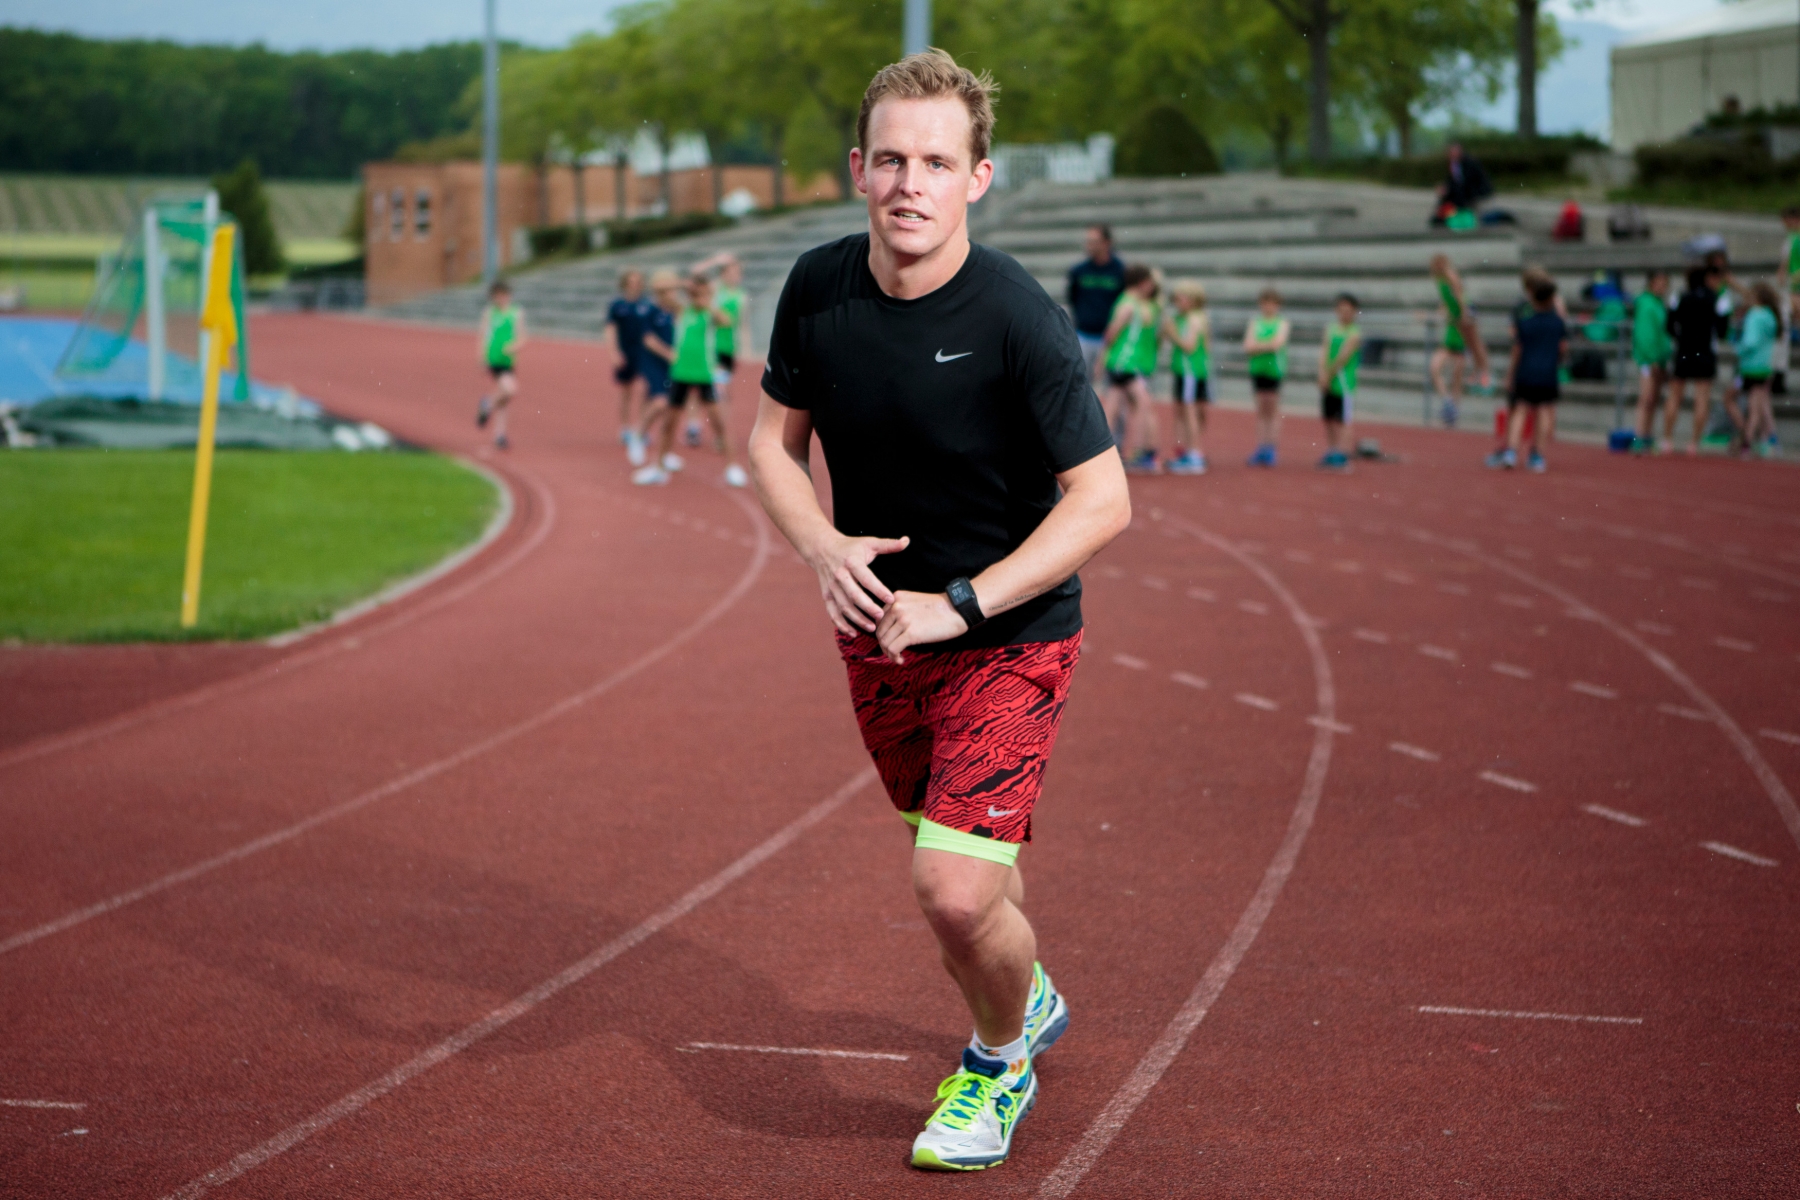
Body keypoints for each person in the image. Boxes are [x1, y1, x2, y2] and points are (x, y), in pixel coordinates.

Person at [746, 49, 1129, 1172]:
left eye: (939, 162)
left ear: (979, 178)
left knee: (953, 893)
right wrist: (820, 544)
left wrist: (964, 603)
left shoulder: (1016, 315)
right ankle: (1032, 994)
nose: (913, 183)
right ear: (858, 170)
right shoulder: (818, 288)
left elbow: (1102, 499)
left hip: (1010, 634)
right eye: (894, 160)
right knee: (973, 873)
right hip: (879, 638)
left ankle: (997, 1064)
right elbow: (771, 446)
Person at [633, 272, 748, 486]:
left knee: (719, 423)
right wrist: (682, 283)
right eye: (694, 292)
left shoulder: (710, 313)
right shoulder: (682, 310)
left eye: (701, 291)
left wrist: (707, 302)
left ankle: (732, 467)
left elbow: (726, 320)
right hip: (681, 374)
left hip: (704, 375)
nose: (696, 295)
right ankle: (659, 467)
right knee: (669, 423)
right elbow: (658, 289)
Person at [1488, 278, 1566, 472]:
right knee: (1544, 411)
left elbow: (1517, 350)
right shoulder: (1558, 323)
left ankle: (1511, 452)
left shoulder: (1526, 323)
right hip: (1548, 373)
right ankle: (1536, 455)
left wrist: (1510, 374)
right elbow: (1563, 348)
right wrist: (1556, 362)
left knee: (1520, 410)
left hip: (1526, 372)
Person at [1100, 265, 1162, 471]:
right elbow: (1112, 332)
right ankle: (1140, 451)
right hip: (1125, 362)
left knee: (1114, 406)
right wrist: (1101, 360)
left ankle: (1104, 452)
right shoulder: (1128, 304)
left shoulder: (1136, 303)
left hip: (1127, 362)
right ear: (1142, 282)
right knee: (1142, 402)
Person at [1666, 265, 1728, 456]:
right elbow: (1723, 331)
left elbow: (1669, 325)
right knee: (1701, 398)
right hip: (1705, 352)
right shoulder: (1719, 299)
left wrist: (1681, 339)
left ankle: (1667, 439)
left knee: (1675, 396)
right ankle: (1693, 443)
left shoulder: (1679, 296)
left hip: (1684, 350)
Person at [626, 270, 680, 470]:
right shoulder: (650, 310)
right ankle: (637, 435)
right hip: (653, 363)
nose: (674, 293)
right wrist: (670, 354)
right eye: (669, 289)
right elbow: (648, 339)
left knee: (670, 411)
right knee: (660, 402)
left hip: (672, 366)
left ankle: (665, 453)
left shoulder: (676, 311)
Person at [1428, 253, 1487, 427]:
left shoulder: (1451, 276)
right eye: (1436, 265)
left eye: (1441, 264)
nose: (1439, 268)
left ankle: (1455, 410)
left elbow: (1461, 297)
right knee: (1435, 367)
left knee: (1457, 372)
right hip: (1452, 324)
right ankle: (1448, 402)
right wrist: (1439, 313)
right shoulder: (1438, 280)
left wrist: (1464, 316)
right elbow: (1446, 301)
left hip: (1461, 322)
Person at [1160, 279, 1209, 474]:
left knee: (1189, 411)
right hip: (1182, 370)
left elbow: (1189, 345)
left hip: (1191, 371)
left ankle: (1194, 453)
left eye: (1182, 298)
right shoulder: (1181, 317)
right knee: (1181, 412)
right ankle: (1184, 451)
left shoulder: (1195, 319)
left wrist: (1172, 334)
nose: (1177, 301)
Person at [1068, 225, 1126, 386]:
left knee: (1114, 389)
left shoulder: (1120, 270)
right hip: (1084, 335)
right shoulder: (1079, 271)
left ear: (1107, 243)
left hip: (1111, 338)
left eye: (1094, 241)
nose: (1089, 245)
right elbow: (1073, 298)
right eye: (1088, 241)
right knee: (1080, 385)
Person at [606, 270, 654, 457]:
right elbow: (610, 329)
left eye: (638, 281)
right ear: (625, 283)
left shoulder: (647, 304)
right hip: (626, 353)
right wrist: (613, 353)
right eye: (631, 281)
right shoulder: (617, 305)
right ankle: (625, 428)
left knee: (647, 390)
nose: (635, 284)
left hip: (644, 354)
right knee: (626, 392)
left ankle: (640, 428)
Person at [1243, 286, 1290, 466]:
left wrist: (1258, 346)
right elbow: (1247, 346)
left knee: (1272, 410)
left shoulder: (1282, 323)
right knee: (1261, 411)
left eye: (1272, 304)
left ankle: (1271, 448)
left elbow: (1277, 344)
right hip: (1258, 369)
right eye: (1265, 303)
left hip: (1274, 370)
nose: (1268, 307)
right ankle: (1261, 447)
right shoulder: (1256, 322)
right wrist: (1265, 346)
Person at [475, 280, 524, 450]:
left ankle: (499, 434)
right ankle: (487, 404)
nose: (501, 299)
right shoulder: (489, 313)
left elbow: (522, 338)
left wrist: (514, 346)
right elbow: (483, 336)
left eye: (504, 295)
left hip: (508, 361)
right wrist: (481, 359)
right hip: (494, 360)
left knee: (505, 399)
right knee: (510, 390)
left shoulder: (516, 313)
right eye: (498, 296)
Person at [1734, 280, 1781, 457]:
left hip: (1752, 366)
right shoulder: (1770, 316)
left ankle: (1747, 442)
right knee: (1762, 406)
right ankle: (1770, 440)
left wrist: (1738, 347)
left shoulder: (1755, 315)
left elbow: (1750, 342)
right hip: (1765, 365)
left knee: (1755, 408)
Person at [1316, 292, 1361, 471]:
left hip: (1344, 383)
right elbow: (1325, 350)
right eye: (1341, 310)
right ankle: (1332, 450)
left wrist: (1327, 375)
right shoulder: (1331, 328)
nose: (1344, 314)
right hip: (1328, 381)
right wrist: (1321, 373)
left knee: (1344, 420)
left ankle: (1343, 454)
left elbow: (1343, 357)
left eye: (1348, 311)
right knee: (1328, 418)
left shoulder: (1354, 333)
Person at [1630, 270, 1672, 452]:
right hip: (1649, 359)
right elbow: (1645, 335)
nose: (1663, 288)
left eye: (1665, 284)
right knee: (1646, 397)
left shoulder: (1659, 304)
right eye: (1660, 284)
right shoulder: (1647, 304)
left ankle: (1647, 434)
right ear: (1651, 283)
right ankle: (1638, 435)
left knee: (1654, 398)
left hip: (1660, 358)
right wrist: (1652, 358)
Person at [1433, 142, 1492, 222]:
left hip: (1475, 192)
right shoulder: (1454, 164)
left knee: (1455, 198)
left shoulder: (1469, 163)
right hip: (1464, 192)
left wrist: (1449, 189)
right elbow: (1453, 182)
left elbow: (1466, 183)